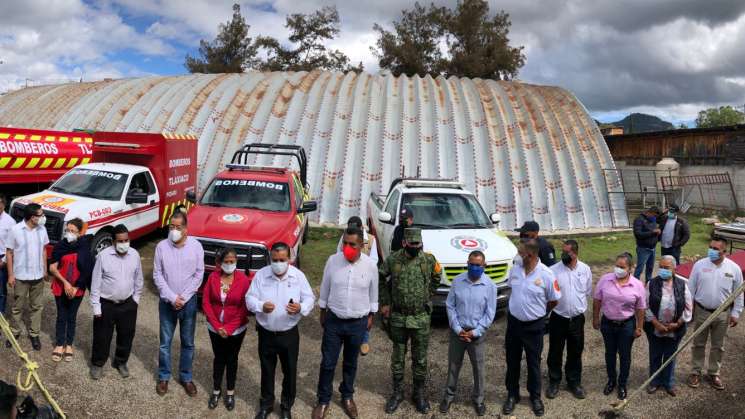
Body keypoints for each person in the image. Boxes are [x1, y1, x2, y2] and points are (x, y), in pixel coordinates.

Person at [313, 227, 378, 419]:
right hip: (334, 320)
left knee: (351, 363)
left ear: (361, 245)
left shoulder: (370, 265)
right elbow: (324, 287)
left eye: (352, 244)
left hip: (357, 323)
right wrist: (322, 311)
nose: (347, 247)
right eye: (345, 243)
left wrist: (371, 316)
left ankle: (347, 396)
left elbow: (374, 293)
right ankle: (323, 400)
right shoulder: (333, 261)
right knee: (328, 363)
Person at [246, 242, 315, 419]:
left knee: (290, 371)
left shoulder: (298, 276)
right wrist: (261, 305)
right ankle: (267, 404)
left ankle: (286, 406)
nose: (278, 263)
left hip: (289, 334)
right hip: (266, 333)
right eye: (275, 260)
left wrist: (300, 307)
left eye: (282, 260)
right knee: (267, 370)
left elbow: (310, 298)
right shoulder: (262, 275)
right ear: (270, 258)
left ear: (289, 259)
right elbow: (249, 298)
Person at [380, 227, 440, 414]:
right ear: (404, 243)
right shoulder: (393, 259)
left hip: (420, 317)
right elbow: (381, 277)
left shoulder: (428, 260)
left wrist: (427, 294)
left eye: (418, 244)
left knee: (420, 358)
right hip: (398, 317)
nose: (415, 247)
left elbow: (437, 276)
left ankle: (418, 393)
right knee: (398, 357)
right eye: (412, 244)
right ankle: (397, 393)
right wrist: (385, 302)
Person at [502, 238, 561, 417]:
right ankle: (512, 394)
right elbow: (513, 290)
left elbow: (554, 299)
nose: (517, 256)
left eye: (520, 253)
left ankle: (535, 397)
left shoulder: (546, 274)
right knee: (512, 361)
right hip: (513, 324)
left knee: (533, 363)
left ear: (531, 255)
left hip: (534, 326)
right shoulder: (515, 270)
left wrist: (541, 315)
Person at [439, 250, 496, 417]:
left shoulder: (489, 286)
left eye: (478, 265)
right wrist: (457, 329)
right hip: (458, 332)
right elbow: (450, 305)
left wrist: (476, 331)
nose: (474, 267)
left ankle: (478, 400)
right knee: (453, 366)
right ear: (467, 263)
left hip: (477, 335)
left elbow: (490, 313)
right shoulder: (457, 281)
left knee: (478, 368)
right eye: (471, 264)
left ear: (484, 266)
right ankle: (449, 397)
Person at [153, 212, 204, 397]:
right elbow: (157, 275)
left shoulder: (196, 247)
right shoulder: (161, 247)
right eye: (171, 227)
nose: (174, 230)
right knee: (165, 343)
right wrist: (171, 297)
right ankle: (164, 376)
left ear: (186, 229)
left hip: (188, 303)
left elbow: (199, 274)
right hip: (167, 303)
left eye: (178, 227)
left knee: (188, 343)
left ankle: (186, 377)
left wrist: (184, 296)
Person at [686, 237, 743, 391]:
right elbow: (690, 288)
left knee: (718, 346)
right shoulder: (699, 265)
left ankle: (713, 373)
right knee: (698, 343)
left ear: (724, 251)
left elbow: (739, 293)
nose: (711, 251)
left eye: (716, 249)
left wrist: (736, 312)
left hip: (722, 314)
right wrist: (688, 310)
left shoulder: (734, 269)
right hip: (702, 311)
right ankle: (695, 371)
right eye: (710, 247)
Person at [89, 224, 143, 380]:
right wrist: (96, 307)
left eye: (126, 240)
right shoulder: (103, 256)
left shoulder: (135, 255)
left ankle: (120, 362)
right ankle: (98, 363)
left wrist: (135, 300)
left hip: (128, 304)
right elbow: (96, 283)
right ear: (113, 242)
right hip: (106, 304)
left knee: (126, 335)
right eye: (120, 241)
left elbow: (138, 279)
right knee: (102, 336)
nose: (124, 244)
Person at [202, 247, 252, 411]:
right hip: (214, 328)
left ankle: (230, 392)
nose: (230, 264)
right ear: (220, 263)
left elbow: (244, 307)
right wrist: (217, 326)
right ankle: (216, 391)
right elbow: (206, 303)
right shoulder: (213, 277)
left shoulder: (243, 280)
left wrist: (229, 328)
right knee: (219, 358)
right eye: (227, 262)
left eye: (233, 262)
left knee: (232, 359)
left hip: (236, 329)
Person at [592, 252, 646, 400]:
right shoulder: (605, 279)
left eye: (622, 267)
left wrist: (639, 326)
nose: (618, 269)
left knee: (625, 356)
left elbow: (640, 308)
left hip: (626, 325)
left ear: (630, 268)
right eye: (616, 265)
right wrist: (595, 318)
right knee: (609, 354)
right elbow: (597, 300)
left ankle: (622, 384)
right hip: (608, 324)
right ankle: (611, 381)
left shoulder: (637, 285)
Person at [546, 240, 592, 400]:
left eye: (567, 252)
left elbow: (586, 291)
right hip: (558, 317)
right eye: (562, 252)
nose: (563, 255)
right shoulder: (553, 270)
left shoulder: (585, 269)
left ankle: (574, 382)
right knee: (555, 351)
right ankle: (554, 380)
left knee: (575, 351)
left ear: (575, 253)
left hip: (577, 319)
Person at [644, 255, 691, 396]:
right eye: (661, 267)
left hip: (676, 328)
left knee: (671, 355)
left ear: (674, 268)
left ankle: (669, 382)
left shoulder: (683, 284)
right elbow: (645, 306)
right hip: (655, 327)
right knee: (655, 354)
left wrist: (677, 324)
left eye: (667, 268)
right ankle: (654, 381)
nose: (663, 270)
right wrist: (656, 323)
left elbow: (689, 308)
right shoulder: (651, 284)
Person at [5, 203, 48, 351]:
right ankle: (14, 332)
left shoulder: (42, 230)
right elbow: (9, 253)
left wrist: (45, 270)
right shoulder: (15, 230)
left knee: (37, 307)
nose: (43, 218)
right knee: (17, 307)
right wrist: (11, 275)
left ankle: (34, 334)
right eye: (40, 215)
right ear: (32, 217)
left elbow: (43, 250)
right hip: (21, 276)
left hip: (37, 276)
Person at [49, 218, 93, 362]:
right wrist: (66, 284)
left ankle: (69, 344)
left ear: (80, 233)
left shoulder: (85, 248)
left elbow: (87, 270)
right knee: (61, 315)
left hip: (77, 289)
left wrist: (76, 287)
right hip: (61, 287)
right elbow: (52, 268)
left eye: (73, 231)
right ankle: (59, 344)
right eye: (67, 230)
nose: (69, 233)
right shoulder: (61, 246)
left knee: (71, 317)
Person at [336, 216, 379, 356]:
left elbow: (374, 261)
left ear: (361, 228)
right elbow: (338, 255)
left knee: (364, 310)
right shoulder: (344, 238)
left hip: (363, 279)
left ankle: (364, 339)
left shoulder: (371, 240)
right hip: (347, 276)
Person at [633, 206, 661, 282]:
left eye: (656, 216)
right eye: (654, 215)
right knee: (640, 268)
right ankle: (635, 284)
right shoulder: (639, 219)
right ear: (650, 212)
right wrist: (653, 232)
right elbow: (638, 234)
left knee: (650, 267)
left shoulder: (653, 219)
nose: (655, 218)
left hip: (653, 248)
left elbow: (653, 230)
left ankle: (648, 283)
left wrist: (657, 234)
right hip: (643, 249)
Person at [0, 194, 16, 316]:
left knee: (0, 291)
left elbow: (13, 245)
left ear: (4, 204)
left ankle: (1, 317)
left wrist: (4, 261)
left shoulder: (10, 222)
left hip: (2, 259)